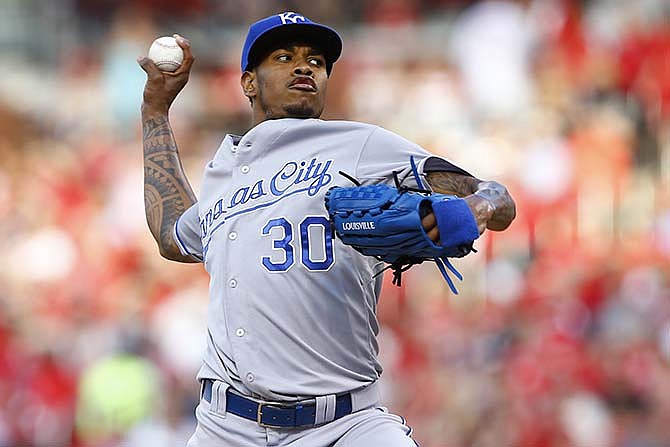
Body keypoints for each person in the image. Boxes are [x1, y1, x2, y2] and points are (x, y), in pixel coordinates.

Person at [138, 11, 515, 447]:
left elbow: (496, 197)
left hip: (345, 423)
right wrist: (155, 111)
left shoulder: (361, 145)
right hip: (227, 426)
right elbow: (171, 235)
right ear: (249, 83)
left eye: (316, 61)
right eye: (284, 57)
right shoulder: (225, 171)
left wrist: (476, 207)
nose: (304, 67)